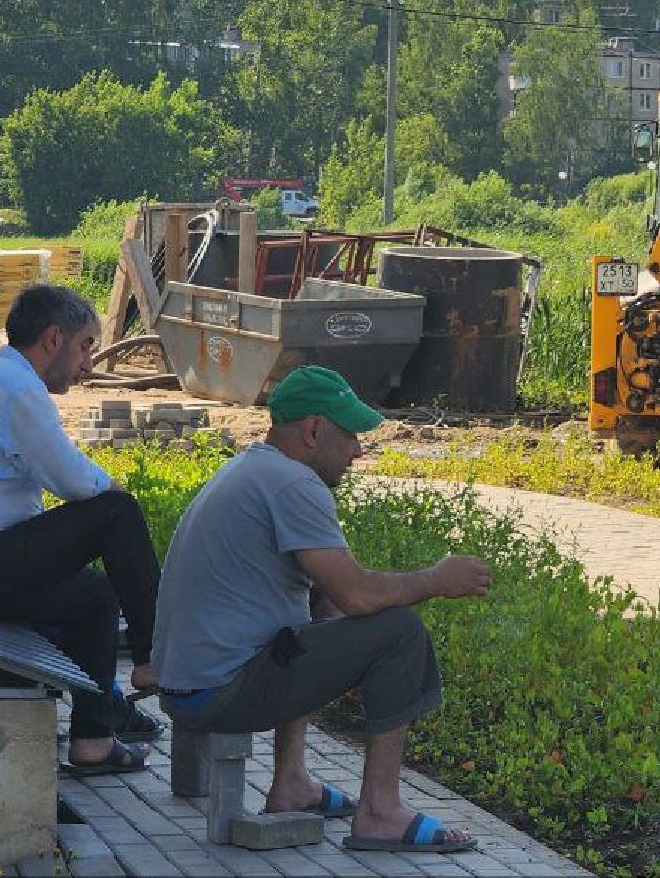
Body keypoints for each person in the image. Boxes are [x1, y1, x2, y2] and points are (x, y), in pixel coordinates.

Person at [152, 366, 492, 855]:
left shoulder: (256, 468)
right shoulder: (294, 484)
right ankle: (379, 812)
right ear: (313, 431)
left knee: (318, 608)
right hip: (217, 691)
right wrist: (435, 580)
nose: (358, 450)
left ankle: (291, 781)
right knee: (400, 631)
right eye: (351, 435)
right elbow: (359, 594)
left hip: (189, 682)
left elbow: (334, 598)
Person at [0, 283, 164, 775]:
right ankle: (156, 656)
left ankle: (93, 742)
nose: (88, 363)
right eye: (85, 346)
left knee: (94, 597)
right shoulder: (16, 388)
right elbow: (74, 480)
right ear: (54, 338)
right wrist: (111, 484)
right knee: (118, 510)